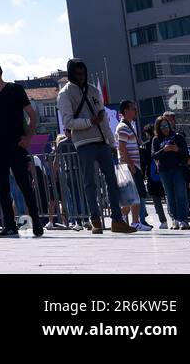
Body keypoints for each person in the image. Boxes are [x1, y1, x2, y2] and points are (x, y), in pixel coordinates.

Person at [57, 59, 134, 234]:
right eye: (77, 74)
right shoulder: (65, 94)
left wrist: (111, 142)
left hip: (101, 141)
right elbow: (68, 122)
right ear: (71, 74)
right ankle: (95, 219)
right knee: (89, 182)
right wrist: (89, 122)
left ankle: (117, 220)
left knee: (112, 182)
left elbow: (103, 118)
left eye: (83, 73)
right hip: (83, 142)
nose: (81, 77)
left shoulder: (93, 90)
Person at [0, 59, 43, 237]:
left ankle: (37, 222)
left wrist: (28, 138)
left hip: (16, 145)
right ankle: (10, 226)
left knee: (24, 185)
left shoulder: (15, 90)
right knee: (3, 188)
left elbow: (32, 115)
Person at [114, 100, 151, 230]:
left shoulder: (129, 126)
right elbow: (122, 148)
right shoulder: (123, 127)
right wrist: (131, 164)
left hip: (131, 165)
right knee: (136, 194)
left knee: (131, 196)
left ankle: (122, 218)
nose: (135, 111)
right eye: (133, 109)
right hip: (130, 165)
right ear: (125, 111)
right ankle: (135, 222)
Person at [151, 116, 190, 230]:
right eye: (162, 127)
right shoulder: (156, 139)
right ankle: (175, 220)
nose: (165, 128)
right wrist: (164, 149)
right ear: (158, 128)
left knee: (180, 194)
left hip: (178, 168)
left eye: (166, 125)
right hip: (164, 171)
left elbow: (186, 152)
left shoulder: (178, 137)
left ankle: (183, 219)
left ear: (169, 125)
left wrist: (176, 149)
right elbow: (154, 155)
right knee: (170, 195)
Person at [139, 123, 168, 229]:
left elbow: (144, 162)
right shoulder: (161, 141)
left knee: (156, 199)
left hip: (152, 175)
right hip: (164, 171)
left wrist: (142, 175)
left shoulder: (145, 145)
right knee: (168, 195)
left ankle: (163, 221)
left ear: (147, 133)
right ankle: (174, 218)